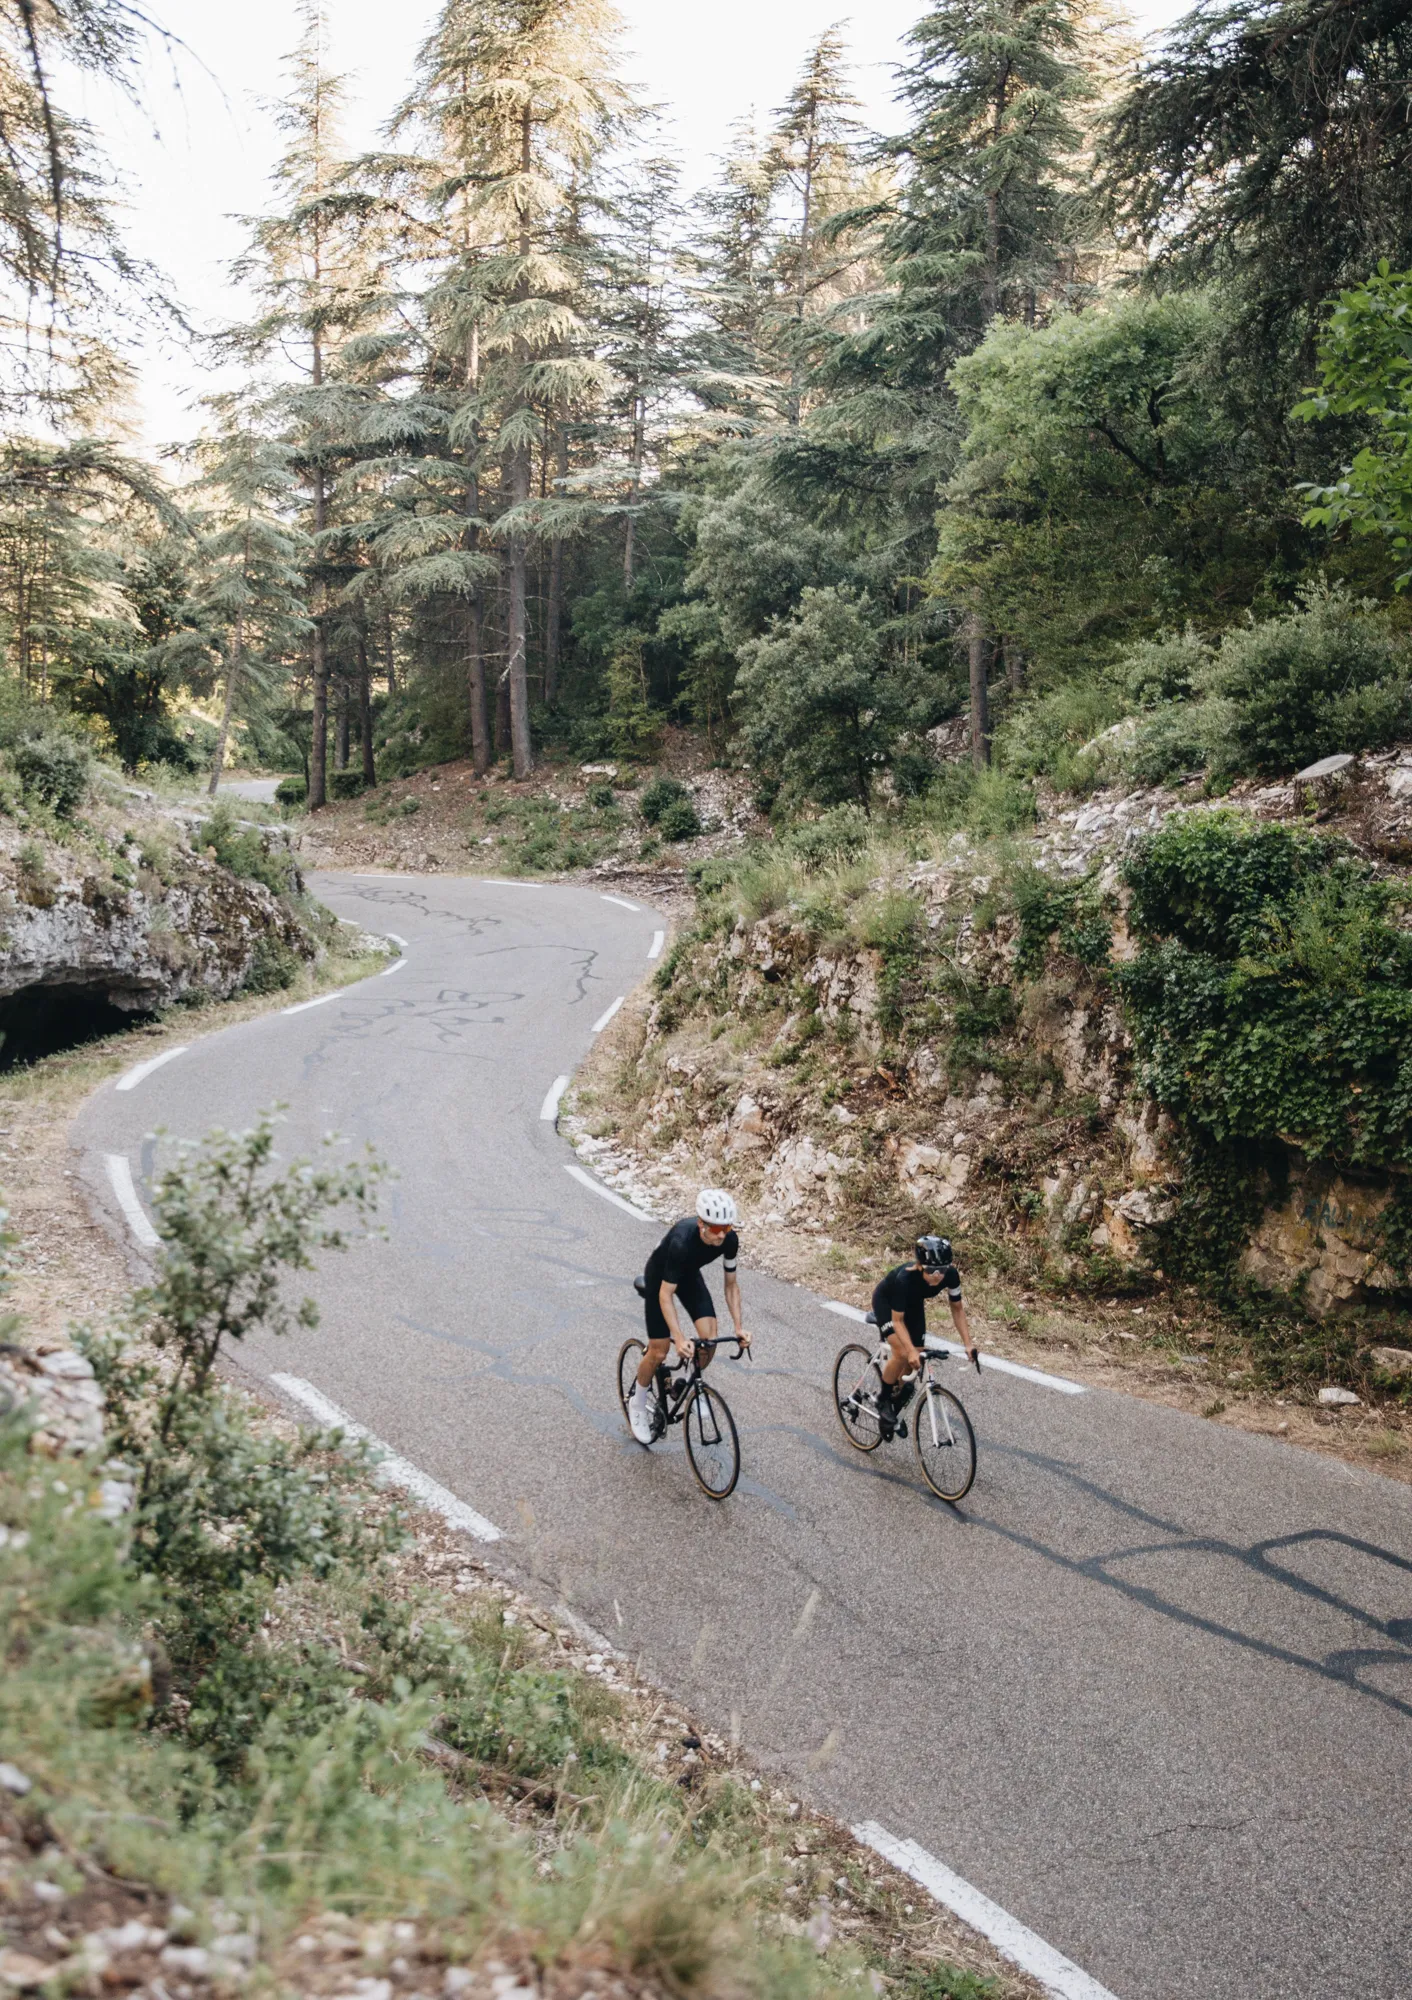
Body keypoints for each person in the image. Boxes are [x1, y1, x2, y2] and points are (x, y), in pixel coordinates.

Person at [628, 1189, 752, 1443]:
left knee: (709, 1339)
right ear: (701, 1224)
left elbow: (731, 1285)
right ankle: (637, 1403)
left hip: (688, 1275)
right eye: (715, 1228)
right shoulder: (681, 1241)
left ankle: (684, 1385)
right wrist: (680, 1337)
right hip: (659, 1279)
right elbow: (665, 1295)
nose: (721, 1234)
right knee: (660, 1351)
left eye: (725, 1228)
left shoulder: (729, 1240)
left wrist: (739, 1327)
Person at [869, 1235, 978, 1433]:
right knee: (903, 1352)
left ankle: (897, 1400)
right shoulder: (905, 1278)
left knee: (915, 1358)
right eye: (931, 1270)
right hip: (887, 1302)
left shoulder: (951, 1275)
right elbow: (898, 1321)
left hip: (914, 1304)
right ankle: (882, 1399)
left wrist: (968, 1344)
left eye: (942, 1270)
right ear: (920, 1266)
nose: (937, 1275)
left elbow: (957, 1309)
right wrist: (909, 1350)